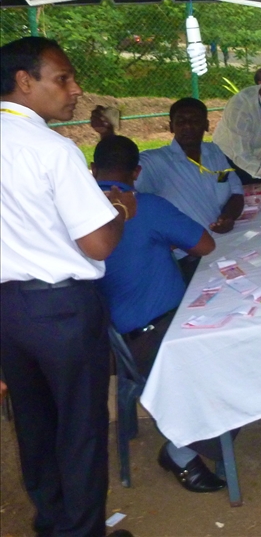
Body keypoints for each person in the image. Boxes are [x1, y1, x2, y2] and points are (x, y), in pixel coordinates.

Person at [0, 36, 136, 537]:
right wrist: (122, 209)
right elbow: (98, 243)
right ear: (24, 80)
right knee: (80, 429)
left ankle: (52, 521)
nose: (75, 89)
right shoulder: (52, 149)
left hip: (9, 311)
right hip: (61, 309)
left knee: (35, 425)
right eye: (62, 78)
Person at [91, 136, 227, 493]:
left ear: (92, 169)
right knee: (237, 357)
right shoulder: (145, 206)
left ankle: (195, 437)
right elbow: (205, 245)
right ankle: (181, 451)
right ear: (137, 171)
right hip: (159, 333)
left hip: (111, 337)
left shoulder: (73, 207)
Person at [99, 98, 243, 282]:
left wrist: (228, 217)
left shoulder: (213, 152)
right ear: (171, 127)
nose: (188, 126)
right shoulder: (155, 161)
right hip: (189, 259)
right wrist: (107, 135)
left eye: (195, 120)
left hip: (225, 244)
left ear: (206, 125)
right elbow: (117, 168)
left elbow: (235, 190)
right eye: (181, 121)